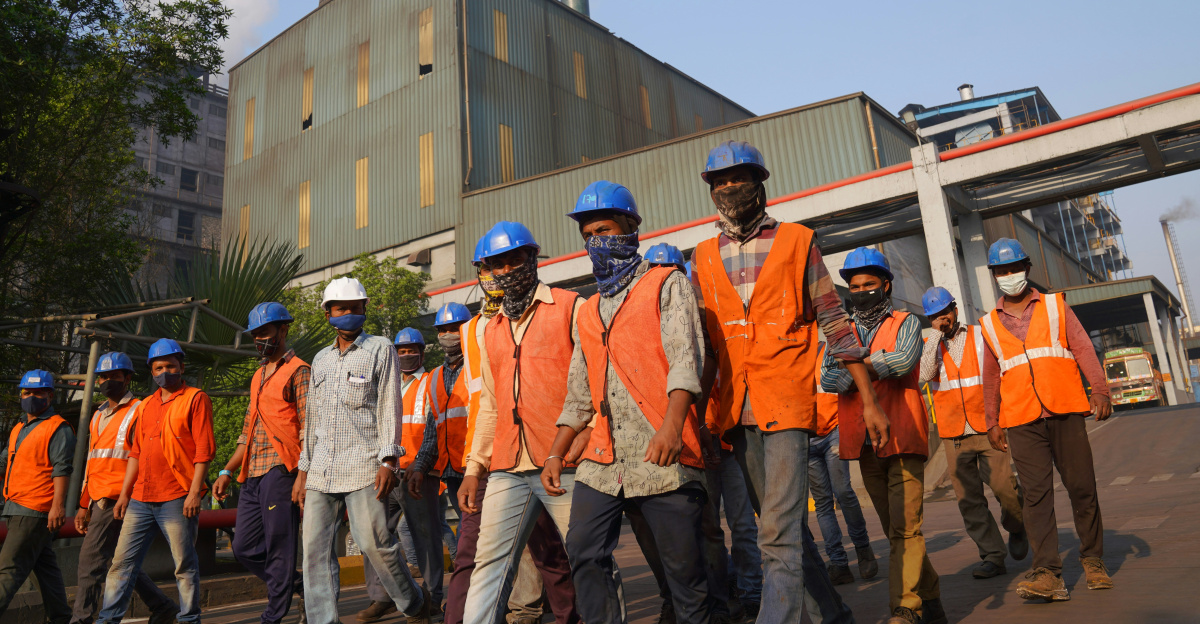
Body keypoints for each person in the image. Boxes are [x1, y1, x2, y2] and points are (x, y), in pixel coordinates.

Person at [691, 140, 867, 624]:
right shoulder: (703, 257)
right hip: (736, 410)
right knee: (782, 529)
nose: (730, 188)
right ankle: (834, 615)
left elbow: (833, 319)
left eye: (739, 178)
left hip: (788, 403)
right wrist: (695, 417)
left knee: (776, 534)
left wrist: (868, 400)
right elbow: (706, 348)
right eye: (720, 181)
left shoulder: (796, 240)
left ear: (760, 183)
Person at [543, 181, 711, 624]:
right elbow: (579, 391)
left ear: (631, 227)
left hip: (661, 454)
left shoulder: (666, 283)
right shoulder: (588, 308)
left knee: (684, 575)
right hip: (602, 459)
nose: (595, 242)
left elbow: (684, 359)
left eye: (603, 229)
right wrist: (557, 451)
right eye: (587, 235)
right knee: (583, 550)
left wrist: (673, 427)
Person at [460, 222, 591, 624]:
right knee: (490, 564)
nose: (507, 270)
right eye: (497, 265)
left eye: (515, 259)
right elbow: (492, 407)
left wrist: (589, 432)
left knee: (589, 560)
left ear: (533, 259)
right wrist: (474, 466)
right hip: (507, 467)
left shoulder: (572, 307)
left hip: (561, 461)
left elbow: (598, 381)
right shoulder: (489, 329)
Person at [979, 238, 1113, 602]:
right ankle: (1048, 574)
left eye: (1013, 268)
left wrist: (1098, 388)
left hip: (1065, 408)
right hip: (1021, 417)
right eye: (1001, 271)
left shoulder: (1055, 306)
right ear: (994, 276)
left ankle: (1093, 559)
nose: (1009, 276)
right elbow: (990, 375)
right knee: (1035, 498)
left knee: (1082, 486)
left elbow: (1083, 346)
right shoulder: (989, 324)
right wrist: (992, 420)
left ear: (1026, 268)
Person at [294, 277, 432, 624]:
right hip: (322, 469)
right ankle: (323, 620)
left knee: (374, 544)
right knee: (313, 551)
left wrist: (388, 459)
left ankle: (414, 603)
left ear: (364, 309)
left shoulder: (380, 348)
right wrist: (303, 470)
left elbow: (389, 406)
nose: (349, 315)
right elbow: (312, 419)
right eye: (341, 309)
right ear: (328, 313)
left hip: (364, 466)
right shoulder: (321, 360)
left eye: (355, 308)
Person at [820, 248, 944, 624]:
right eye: (854, 286)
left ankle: (906, 608)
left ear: (885, 285)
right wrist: (875, 364)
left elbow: (905, 360)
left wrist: (855, 367)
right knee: (896, 531)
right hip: (864, 442)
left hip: (903, 435)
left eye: (868, 284)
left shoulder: (905, 320)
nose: (861, 291)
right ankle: (933, 598)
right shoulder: (840, 330)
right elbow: (827, 379)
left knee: (907, 528)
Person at [97, 339, 215, 624]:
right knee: (121, 564)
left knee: (184, 566)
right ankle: (107, 619)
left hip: (176, 496)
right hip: (140, 498)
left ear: (181, 367)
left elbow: (204, 449)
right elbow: (136, 453)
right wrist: (125, 494)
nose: (165, 371)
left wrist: (194, 493)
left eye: (170, 366)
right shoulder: (146, 405)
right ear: (152, 371)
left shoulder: (195, 398)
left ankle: (189, 619)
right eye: (159, 367)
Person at [917, 287, 1027, 580]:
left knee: (1006, 488)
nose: (942, 320)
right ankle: (992, 556)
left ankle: (1017, 525)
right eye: (935, 317)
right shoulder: (930, 344)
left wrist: (1001, 419)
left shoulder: (980, 335)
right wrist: (935, 338)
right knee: (969, 499)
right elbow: (924, 375)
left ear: (954, 309)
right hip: (953, 433)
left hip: (988, 424)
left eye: (945, 313)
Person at [213, 302, 309, 624]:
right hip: (251, 473)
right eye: (255, 335)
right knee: (243, 547)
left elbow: (311, 427)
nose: (260, 340)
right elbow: (247, 431)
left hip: (282, 470)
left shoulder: (299, 371)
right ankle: (299, 586)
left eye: (264, 333)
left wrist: (303, 476)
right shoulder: (257, 377)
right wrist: (227, 470)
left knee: (281, 547)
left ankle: (273, 616)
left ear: (283, 330)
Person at [72, 354, 176, 624]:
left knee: (90, 562)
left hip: (119, 497)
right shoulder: (97, 416)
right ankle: (162, 606)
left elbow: (145, 455)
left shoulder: (140, 409)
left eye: (115, 376)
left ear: (128, 378)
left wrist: (129, 495)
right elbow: (92, 463)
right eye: (103, 377)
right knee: (119, 560)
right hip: (98, 497)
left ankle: (81, 619)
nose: (108, 381)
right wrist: (84, 505)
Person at [0, 370, 75, 624]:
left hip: (33, 508)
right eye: (27, 392)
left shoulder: (58, 428)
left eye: (38, 392)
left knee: (8, 569)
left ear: (50, 395)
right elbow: (4, 463)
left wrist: (57, 506)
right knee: (45, 570)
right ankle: (61, 617)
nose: (31, 397)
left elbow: (62, 469)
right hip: (16, 506)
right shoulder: (20, 427)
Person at [809, 342, 878, 585]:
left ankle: (863, 550)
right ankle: (838, 563)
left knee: (843, 492)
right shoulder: (787, 359)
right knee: (822, 503)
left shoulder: (826, 351)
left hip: (833, 432)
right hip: (806, 438)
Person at [427, 303, 472, 567]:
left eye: (453, 328)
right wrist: (422, 466)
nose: (448, 335)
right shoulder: (434, 377)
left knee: (474, 531)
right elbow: (434, 429)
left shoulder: (478, 365)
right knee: (469, 530)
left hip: (478, 468)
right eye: (442, 330)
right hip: (452, 472)